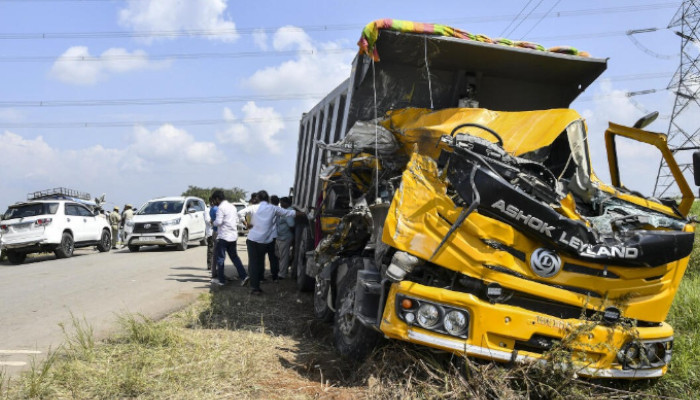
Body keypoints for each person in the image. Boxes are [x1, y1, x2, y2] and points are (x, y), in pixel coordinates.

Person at [239, 190, 301, 295]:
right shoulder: (273, 208)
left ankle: (255, 287)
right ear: (267, 198)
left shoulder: (253, 207)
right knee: (264, 260)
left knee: (254, 263)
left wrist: (246, 224)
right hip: (264, 241)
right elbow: (290, 213)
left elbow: (239, 213)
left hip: (252, 240)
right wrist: (305, 214)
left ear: (258, 198)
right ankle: (268, 279)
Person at [212, 190, 248, 287]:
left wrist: (213, 222)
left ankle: (221, 281)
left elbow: (218, 222)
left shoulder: (220, 208)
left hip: (223, 237)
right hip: (233, 236)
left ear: (217, 199)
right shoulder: (232, 207)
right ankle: (244, 276)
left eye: (214, 200)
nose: (214, 203)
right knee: (235, 258)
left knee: (220, 259)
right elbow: (236, 220)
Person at [276, 197, 295, 279]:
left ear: (286, 203)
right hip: (281, 237)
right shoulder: (284, 211)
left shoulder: (288, 212)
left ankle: (282, 274)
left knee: (283, 257)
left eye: (282, 203)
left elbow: (291, 225)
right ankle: (283, 271)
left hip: (285, 237)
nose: (280, 204)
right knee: (281, 255)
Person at [204, 196, 218, 274]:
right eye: (211, 201)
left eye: (213, 201)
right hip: (210, 232)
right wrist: (214, 222)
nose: (212, 203)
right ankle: (210, 265)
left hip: (216, 232)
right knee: (211, 250)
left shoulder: (216, 208)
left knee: (216, 250)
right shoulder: (207, 210)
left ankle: (215, 266)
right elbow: (207, 220)